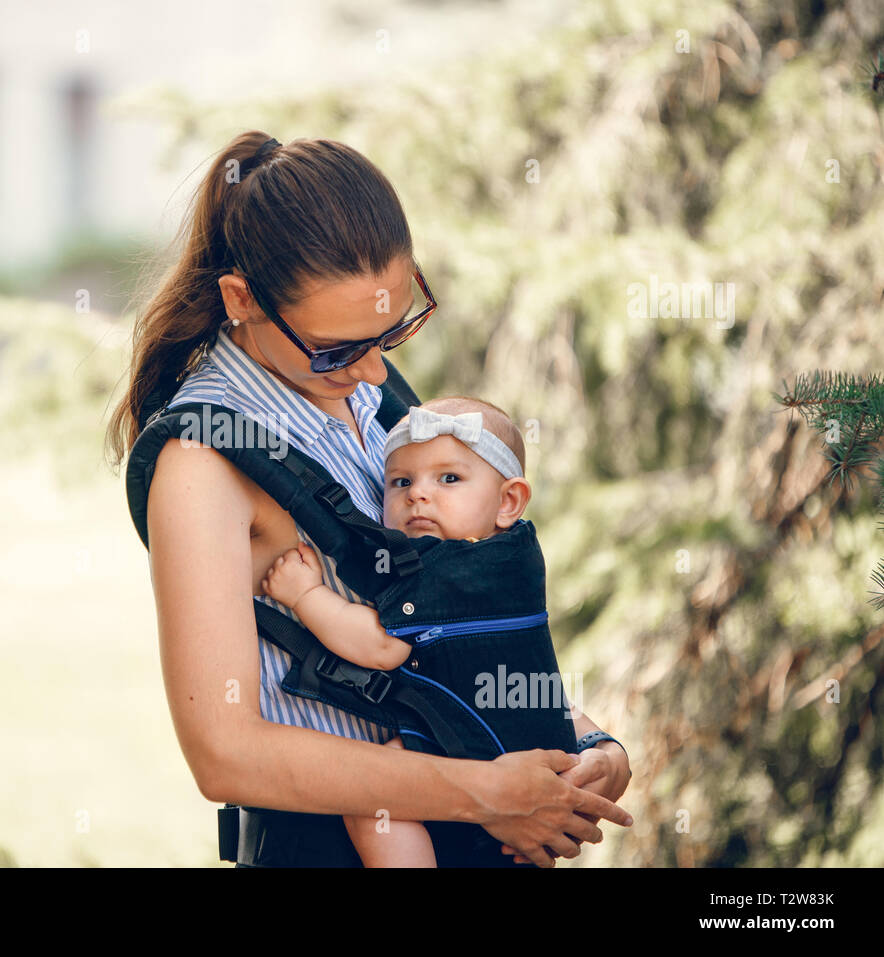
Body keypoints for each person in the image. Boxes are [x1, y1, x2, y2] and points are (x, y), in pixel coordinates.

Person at [105, 131, 632, 867]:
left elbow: (443, 634)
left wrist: (584, 744)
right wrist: (484, 793)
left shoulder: (370, 400)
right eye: (338, 347)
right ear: (241, 301)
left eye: (392, 330)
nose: (377, 371)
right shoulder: (201, 462)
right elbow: (224, 753)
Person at [263, 394, 623, 865]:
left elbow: (381, 647)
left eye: (448, 478)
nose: (418, 494)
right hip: (528, 748)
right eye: (400, 481)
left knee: (371, 800)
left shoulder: (451, 566)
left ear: (508, 500)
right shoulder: (514, 559)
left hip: (483, 754)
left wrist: (305, 596)